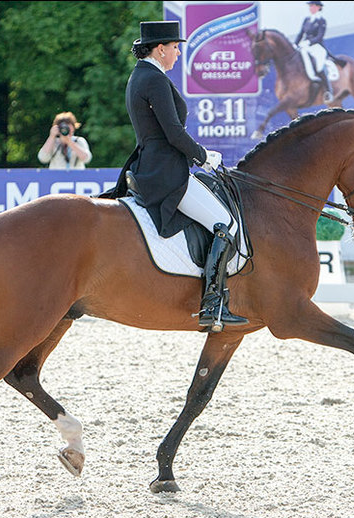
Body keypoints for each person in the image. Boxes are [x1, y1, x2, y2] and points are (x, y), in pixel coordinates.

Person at [123, 20, 248, 332]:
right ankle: (213, 304)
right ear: (161, 48)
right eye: (175, 48)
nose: (178, 53)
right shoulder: (153, 79)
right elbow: (173, 132)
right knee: (227, 224)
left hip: (151, 164)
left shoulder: (142, 75)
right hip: (165, 171)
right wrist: (203, 156)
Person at [295, 0, 333, 102]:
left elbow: (320, 36)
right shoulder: (307, 20)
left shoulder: (321, 20)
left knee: (319, 65)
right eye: (310, 6)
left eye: (312, 6)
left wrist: (308, 42)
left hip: (317, 46)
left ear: (318, 7)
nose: (310, 8)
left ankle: (328, 90)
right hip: (305, 45)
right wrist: (295, 43)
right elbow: (300, 33)